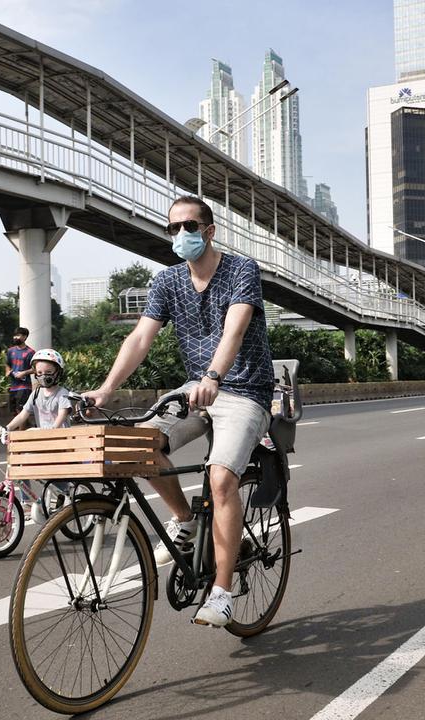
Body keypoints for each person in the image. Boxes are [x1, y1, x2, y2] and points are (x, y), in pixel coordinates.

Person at [81, 195, 273, 629]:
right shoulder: (167, 281)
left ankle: (222, 593)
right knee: (135, 446)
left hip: (243, 390)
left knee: (222, 478)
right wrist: (107, 390)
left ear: (209, 230)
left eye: (190, 226)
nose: (181, 234)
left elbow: (236, 329)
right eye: (174, 228)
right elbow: (139, 339)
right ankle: (186, 520)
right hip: (195, 390)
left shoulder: (241, 270)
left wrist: (213, 375)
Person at [0, 348, 72, 521]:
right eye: (40, 372)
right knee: (20, 462)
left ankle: (66, 493)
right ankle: (27, 502)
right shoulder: (35, 393)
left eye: (49, 372)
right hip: (42, 440)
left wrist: (53, 430)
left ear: (58, 372)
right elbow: (23, 415)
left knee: (52, 478)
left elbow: (62, 415)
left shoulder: (62, 394)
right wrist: (7, 428)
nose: (43, 376)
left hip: (60, 442)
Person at [5, 327, 37, 421]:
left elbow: (35, 369)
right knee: (14, 410)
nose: (15, 337)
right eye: (15, 335)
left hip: (25, 385)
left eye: (18, 335)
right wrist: (8, 372)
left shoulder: (30, 352)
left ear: (25, 337)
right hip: (13, 385)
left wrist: (24, 373)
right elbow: (7, 364)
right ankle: (23, 427)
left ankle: (20, 431)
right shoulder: (10, 351)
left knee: (21, 409)